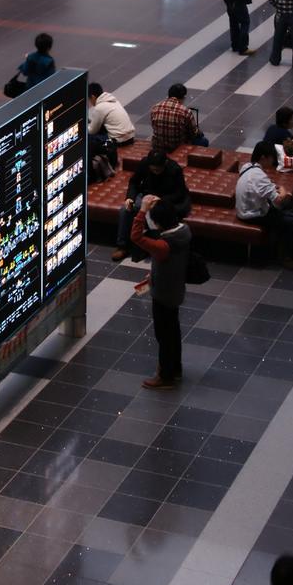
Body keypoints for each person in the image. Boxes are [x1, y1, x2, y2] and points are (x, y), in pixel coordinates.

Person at [131, 198, 192, 390]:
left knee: (163, 335)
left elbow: (136, 237)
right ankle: (175, 369)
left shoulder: (163, 246)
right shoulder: (184, 231)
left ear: (158, 223)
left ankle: (165, 376)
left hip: (164, 294)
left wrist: (141, 212)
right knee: (173, 332)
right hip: (175, 290)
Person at [235, 142, 293, 272]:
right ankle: (287, 258)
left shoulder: (247, 167)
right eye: (272, 158)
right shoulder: (259, 176)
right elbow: (279, 200)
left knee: (287, 215)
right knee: (292, 223)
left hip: (243, 209)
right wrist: (283, 190)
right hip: (252, 215)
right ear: (264, 157)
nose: (273, 161)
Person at [113, 145, 189, 262]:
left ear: (165, 164)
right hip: (146, 195)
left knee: (158, 213)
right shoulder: (144, 164)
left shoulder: (175, 169)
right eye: (153, 170)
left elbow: (180, 193)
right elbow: (134, 182)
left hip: (165, 199)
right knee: (125, 210)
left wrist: (160, 200)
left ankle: (154, 246)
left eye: (158, 170)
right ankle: (122, 246)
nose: (155, 172)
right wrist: (130, 198)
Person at [149, 83, 202, 159]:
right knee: (203, 141)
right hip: (178, 147)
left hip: (158, 146)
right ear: (183, 97)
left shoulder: (155, 107)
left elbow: (154, 126)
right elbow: (193, 132)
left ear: (169, 95)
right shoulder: (185, 111)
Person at [87, 81, 135, 149]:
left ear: (93, 97)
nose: (90, 102)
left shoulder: (100, 107)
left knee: (89, 139)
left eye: (89, 99)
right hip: (130, 137)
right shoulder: (113, 100)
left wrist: (84, 127)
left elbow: (92, 131)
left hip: (118, 141)